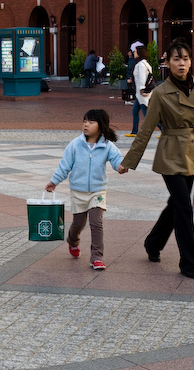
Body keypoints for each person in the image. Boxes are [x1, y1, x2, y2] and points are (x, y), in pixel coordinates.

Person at [119, 37, 194, 279]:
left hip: (192, 153)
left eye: (185, 58)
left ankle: (153, 243)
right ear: (168, 62)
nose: (182, 64)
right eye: (176, 59)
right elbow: (145, 130)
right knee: (184, 206)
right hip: (170, 154)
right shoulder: (161, 93)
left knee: (176, 204)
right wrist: (129, 161)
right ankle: (189, 262)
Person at [45, 109, 124, 270]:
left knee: (96, 223)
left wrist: (121, 167)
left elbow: (118, 160)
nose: (86, 124)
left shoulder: (107, 146)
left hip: (97, 191)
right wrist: (54, 182)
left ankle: (96, 257)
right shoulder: (75, 144)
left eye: (91, 122)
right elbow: (64, 166)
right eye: (85, 121)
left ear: (101, 126)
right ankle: (72, 240)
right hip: (78, 191)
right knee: (78, 223)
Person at [125, 44, 160, 137]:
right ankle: (134, 131)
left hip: (142, 93)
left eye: (135, 51)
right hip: (141, 93)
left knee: (148, 115)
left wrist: (142, 90)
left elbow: (141, 78)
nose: (134, 53)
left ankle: (163, 129)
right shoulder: (145, 63)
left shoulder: (140, 65)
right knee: (135, 111)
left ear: (139, 53)